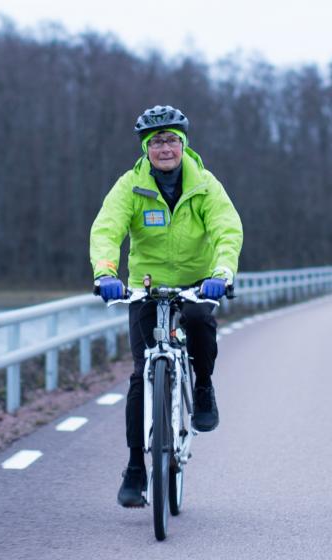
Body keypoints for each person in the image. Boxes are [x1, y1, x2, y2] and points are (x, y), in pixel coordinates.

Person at [90, 105, 243, 507]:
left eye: (171, 140)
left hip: (197, 282)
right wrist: (106, 274)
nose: (164, 148)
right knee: (142, 376)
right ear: (146, 148)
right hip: (146, 286)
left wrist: (222, 272)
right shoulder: (131, 186)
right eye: (156, 142)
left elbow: (227, 229)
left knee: (199, 321)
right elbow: (107, 229)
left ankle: (204, 386)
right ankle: (136, 468)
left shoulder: (205, 185)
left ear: (183, 144)